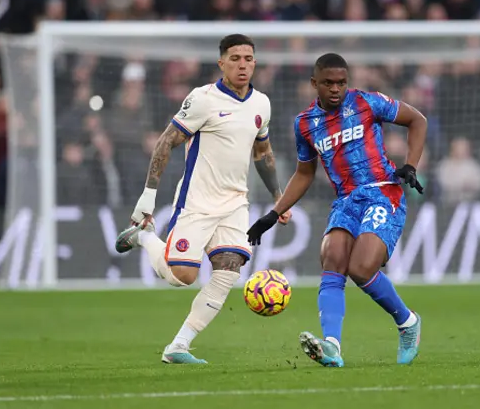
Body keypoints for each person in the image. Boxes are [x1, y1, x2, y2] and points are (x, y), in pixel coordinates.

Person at [114, 34, 291, 364]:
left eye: (248, 58)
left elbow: (262, 151)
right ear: (221, 63)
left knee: (228, 269)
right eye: (235, 58)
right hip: (197, 200)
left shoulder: (261, 104)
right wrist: (148, 196)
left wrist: (279, 197)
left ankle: (179, 346)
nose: (242, 64)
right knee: (183, 276)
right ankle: (144, 237)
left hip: (236, 202)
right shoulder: (203, 99)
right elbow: (166, 143)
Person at [247, 53, 427, 367]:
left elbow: (417, 120)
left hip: (383, 192)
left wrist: (410, 165)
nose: (335, 89)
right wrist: (274, 214)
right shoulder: (305, 124)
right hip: (346, 200)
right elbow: (304, 173)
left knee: (360, 268)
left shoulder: (366, 102)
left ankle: (408, 322)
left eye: (341, 82)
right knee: (332, 259)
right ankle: (331, 346)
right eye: (328, 83)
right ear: (314, 84)